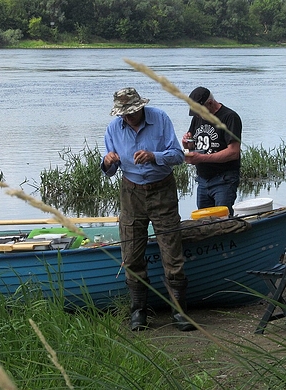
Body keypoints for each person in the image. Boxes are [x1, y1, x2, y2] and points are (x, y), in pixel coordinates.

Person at [101, 87, 194, 332]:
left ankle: (180, 313)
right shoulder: (113, 128)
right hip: (130, 192)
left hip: (162, 189)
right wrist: (107, 162)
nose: (127, 117)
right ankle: (139, 313)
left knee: (172, 252)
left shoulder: (160, 118)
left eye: (131, 113)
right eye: (123, 114)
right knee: (131, 253)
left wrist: (154, 156)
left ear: (141, 107)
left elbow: (177, 156)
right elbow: (109, 170)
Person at [182, 87, 242, 215]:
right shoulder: (198, 118)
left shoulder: (229, 117)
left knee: (222, 221)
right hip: (202, 180)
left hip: (223, 179)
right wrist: (186, 144)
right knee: (203, 222)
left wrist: (201, 158)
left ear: (210, 103)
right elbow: (193, 146)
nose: (198, 115)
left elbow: (233, 153)